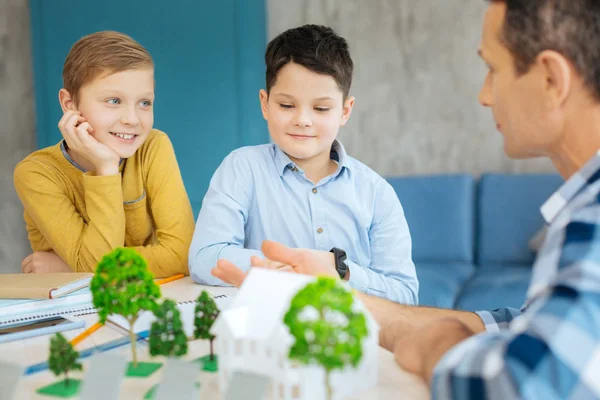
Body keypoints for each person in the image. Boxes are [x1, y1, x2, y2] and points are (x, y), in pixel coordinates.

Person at [212, 1, 600, 397]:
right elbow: (525, 325)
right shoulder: (581, 211)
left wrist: (437, 341)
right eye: (287, 104)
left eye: (492, 69)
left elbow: (517, 386)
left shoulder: (590, 220)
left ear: (551, 80)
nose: (483, 95)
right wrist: (327, 290)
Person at [188, 25, 418, 304]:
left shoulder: (376, 192)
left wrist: (339, 271)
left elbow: (405, 296)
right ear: (265, 103)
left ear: (345, 111)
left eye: (321, 109)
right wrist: (293, 268)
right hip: (266, 333)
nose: (303, 120)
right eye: (287, 105)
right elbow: (204, 257)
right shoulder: (242, 168)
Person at [14, 31, 195, 277]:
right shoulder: (36, 173)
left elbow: (181, 256)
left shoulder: (153, 146)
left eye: (144, 103)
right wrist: (107, 169)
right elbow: (93, 264)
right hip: (73, 309)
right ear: (69, 105)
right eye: (113, 101)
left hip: (138, 302)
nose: (132, 119)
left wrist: (70, 267)